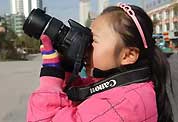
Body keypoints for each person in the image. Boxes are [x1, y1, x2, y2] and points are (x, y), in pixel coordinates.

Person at [26, 3, 173, 122]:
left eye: (93, 40)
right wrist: (66, 69)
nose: (86, 45)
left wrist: (50, 79)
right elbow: (77, 106)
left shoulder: (123, 105)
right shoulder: (126, 90)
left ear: (128, 55)